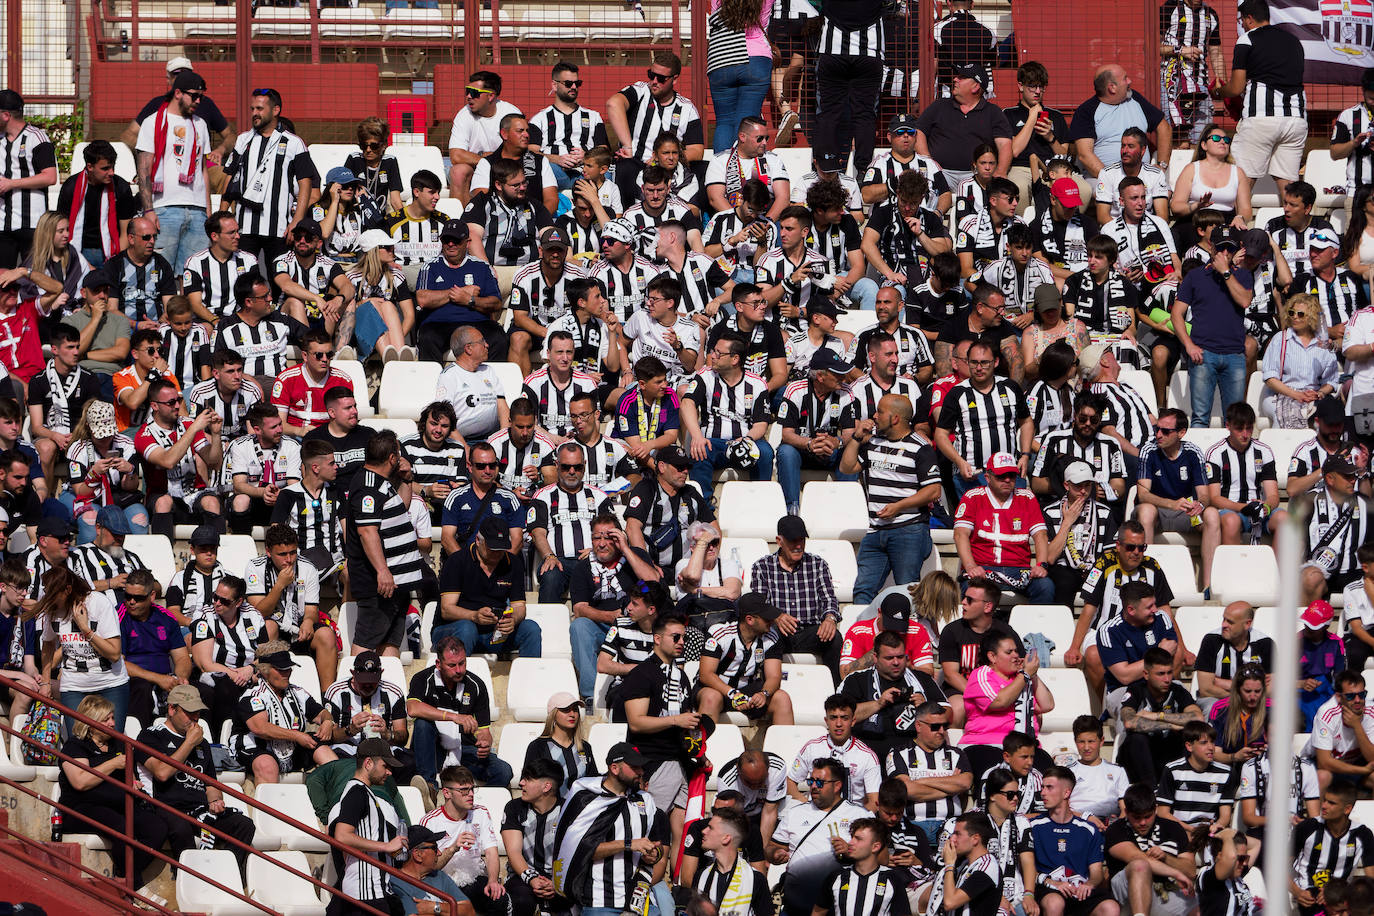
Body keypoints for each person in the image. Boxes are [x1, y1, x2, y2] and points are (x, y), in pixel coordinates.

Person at [58, 694, 169, 897]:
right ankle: (135, 887)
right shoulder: (75, 746)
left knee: (157, 827)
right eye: (105, 719)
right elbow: (80, 782)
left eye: (112, 718)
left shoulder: (118, 745)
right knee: (122, 828)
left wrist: (133, 784)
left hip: (118, 804)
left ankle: (124, 873)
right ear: (89, 723)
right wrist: (112, 764)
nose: (112, 723)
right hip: (82, 807)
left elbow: (129, 778)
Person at [140, 684, 257, 867]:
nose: (195, 718)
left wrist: (216, 800)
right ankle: (188, 881)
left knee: (244, 825)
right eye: (189, 712)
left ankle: (228, 875)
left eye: (198, 713)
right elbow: (162, 773)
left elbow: (210, 784)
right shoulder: (151, 736)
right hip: (166, 806)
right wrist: (189, 743)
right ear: (172, 709)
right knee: (181, 828)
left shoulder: (202, 743)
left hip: (199, 808)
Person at [841, 393, 942, 605]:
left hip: (908, 529)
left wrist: (899, 507)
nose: (874, 416)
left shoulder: (920, 447)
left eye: (880, 412)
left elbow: (933, 491)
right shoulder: (872, 442)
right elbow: (847, 467)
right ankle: (864, 635)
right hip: (876, 530)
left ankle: (906, 636)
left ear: (895, 418)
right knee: (863, 590)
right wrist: (857, 438)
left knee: (906, 589)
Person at [551, 742, 671, 916]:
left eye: (641, 767)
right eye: (634, 767)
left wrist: (654, 853)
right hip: (600, 901)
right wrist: (628, 844)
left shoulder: (645, 800)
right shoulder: (586, 798)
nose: (641, 772)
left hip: (640, 901)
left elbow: (656, 845)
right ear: (615, 768)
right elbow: (580, 851)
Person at [347, 431, 429, 657]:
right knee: (366, 645)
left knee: (390, 643)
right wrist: (382, 571)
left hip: (397, 583)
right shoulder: (367, 486)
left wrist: (406, 478)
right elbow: (367, 531)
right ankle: (354, 687)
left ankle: (388, 691)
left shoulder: (382, 483)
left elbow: (399, 508)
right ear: (392, 458)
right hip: (379, 584)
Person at [1215, 0, 1307, 197]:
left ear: (1249, 18)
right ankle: (1294, 228)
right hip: (1296, 119)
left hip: (1261, 118)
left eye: (1241, 20)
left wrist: (1219, 92)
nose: (1241, 25)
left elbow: (1236, 87)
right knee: (1288, 187)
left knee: (1242, 182)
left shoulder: (1247, 39)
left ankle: (1236, 225)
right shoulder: (1294, 41)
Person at [222, 88, 316, 273]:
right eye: (252, 109)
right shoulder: (243, 140)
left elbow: (305, 184)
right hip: (245, 227)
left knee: (279, 279)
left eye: (259, 108)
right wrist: (222, 216)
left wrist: (296, 222)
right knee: (245, 279)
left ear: (275, 110)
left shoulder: (295, 143)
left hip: (279, 229)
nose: (254, 113)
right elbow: (230, 178)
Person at [768, 757, 872, 916]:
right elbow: (772, 848)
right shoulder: (795, 813)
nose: (814, 786)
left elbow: (881, 857)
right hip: (795, 904)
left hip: (838, 906)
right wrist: (774, 854)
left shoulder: (859, 815)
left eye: (820, 782)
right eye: (811, 781)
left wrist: (850, 850)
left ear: (837, 785)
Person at [134, 70, 211, 278]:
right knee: (160, 273)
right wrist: (149, 210)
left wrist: (207, 211)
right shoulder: (152, 122)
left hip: (197, 210)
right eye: (194, 95)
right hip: (164, 208)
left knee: (192, 276)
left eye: (201, 97)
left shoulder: (201, 124)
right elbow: (144, 170)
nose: (198, 100)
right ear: (178, 93)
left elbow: (202, 169)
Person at [37, 562, 129, 732]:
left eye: (52, 594)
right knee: (78, 743)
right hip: (74, 686)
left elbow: (115, 654)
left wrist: (85, 629)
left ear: (67, 590)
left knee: (112, 740)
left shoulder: (99, 603)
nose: (48, 599)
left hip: (111, 683)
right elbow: (48, 644)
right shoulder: (52, 610)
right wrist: (46, 681)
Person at [408, 635, 508, 791]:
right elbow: (413, 708)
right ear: (438, 664)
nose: (459, 670)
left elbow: (484, 731)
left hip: (464, 747)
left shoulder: (476, 685)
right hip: (431, 749)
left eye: (462, 663)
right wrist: (454, 717)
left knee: (503, 771)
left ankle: (476, 802)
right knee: (422, 724)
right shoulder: (423, 679)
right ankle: (429, 788)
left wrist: (484, 742)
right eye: (452, 665)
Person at [435, 515, 541, 660]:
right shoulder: (457, 561)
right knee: (467, 628)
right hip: (453, 630)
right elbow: (446, 610)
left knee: (530, 628)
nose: (497, 553)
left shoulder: (513, 563)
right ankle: (460, 679)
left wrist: (512, 620)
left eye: (501, 548)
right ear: (478, 541)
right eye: (492, 548)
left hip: (494, 633)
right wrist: (474, 616)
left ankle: (530, 679)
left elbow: (520, 607)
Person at [953, 452, 1053, 603]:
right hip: (983, 569)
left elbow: (1041, 535)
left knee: (1045, 586)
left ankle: (1032, 627)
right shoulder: (972, 497)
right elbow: (960, 535)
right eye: (1001, 476)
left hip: (1019, 570)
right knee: (971, 588)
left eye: (1012, 476)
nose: (1007, 480)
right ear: (988, 477)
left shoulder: (1027, 498)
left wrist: (1041, 565)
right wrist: (970, 566)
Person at [328, 738, 407, 915]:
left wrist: (390, 850)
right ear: (368, 763)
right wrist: (386, 846)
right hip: (364, 892)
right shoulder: (357, 792)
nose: (389, 772)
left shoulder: (364, 792)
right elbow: (342, 836)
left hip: (372, 889)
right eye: (385, 766)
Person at [1027, 767, 1120, 916]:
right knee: (1055, 903)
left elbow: (1096, 872)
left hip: (1080, 889)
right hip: (1048, 888)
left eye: (1049, 787)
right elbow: (1026, 868)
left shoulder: (1088, 829)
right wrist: (1053, 883)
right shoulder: (1033, 826)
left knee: (1111, 907)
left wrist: (1089, 884)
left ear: (1066, 793)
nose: (1043, 793)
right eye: (1042, 787)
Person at [419, 764, 509, 916]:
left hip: (475, 875)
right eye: (463, 790)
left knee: (499, 897)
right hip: (443, 881)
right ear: (447, 793)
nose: (471, 794)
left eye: (472, 788)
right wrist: (453, 848)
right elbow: (428, 868)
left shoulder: (480, 812)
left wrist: (493, 881)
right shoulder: (430, 821)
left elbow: (491, 852)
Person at [695, 592, 794, 724]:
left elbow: (774, 677)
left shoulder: (771, 637)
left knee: (782, 698)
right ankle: (704, 744)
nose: (771, 621)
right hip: (717, 688)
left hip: (748, 689)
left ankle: (786, 744)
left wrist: (763, 694)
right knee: (711, 697)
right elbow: (706, 675)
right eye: (766, 618)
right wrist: (733, 694)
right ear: (750, 619)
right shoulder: (720, 633)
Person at [1114, 648, 1204, 786]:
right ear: (1146, 674)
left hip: (1167, 754)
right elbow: (1129, 721)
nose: (1167, 679)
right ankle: (1151, 790)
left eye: (1169, 673)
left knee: (1185, 736)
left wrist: (1157, 716)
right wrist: (1170, 725)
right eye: (1161, 674)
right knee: (1137, 739)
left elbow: (1198, 718)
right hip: (1139, 761)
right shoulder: (1136, 691)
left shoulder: (1178, 691)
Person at [1102, 783, 1195, 916]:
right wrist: (1176, 873)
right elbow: (1137, 858)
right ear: (1127, 812)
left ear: (1155, 809)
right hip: (1125, 893)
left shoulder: (1173, 828)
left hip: (1163, 891)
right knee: (1140, 866)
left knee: (1200, 906)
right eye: (1137, 817)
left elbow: (1190, 870)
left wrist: (1166, 858)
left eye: (1147, 816)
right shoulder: (1116, 829)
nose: (1143, 823)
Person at [1070, 65, 1171, 179]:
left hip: (1143, 178)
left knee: (1163, 193)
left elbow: (1164, 128)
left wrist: (1162, 166)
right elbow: (1085, 155)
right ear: (1112, 87)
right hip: (1102, 179)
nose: (1130, 81)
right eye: (1125, 78)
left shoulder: (1135, 99)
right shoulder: (1086, 111)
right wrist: (1113, 180)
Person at [1030, 392, 1127, 511]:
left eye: (1094, 420)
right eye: (1082, 419)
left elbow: (1119, 485)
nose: (1088, 423)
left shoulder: (1111, 444)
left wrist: (1111, 493)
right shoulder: (1053, 440)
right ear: (1074, 416)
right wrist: (1073, 489)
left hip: (1098, 510)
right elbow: (1036, 484)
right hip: (1059, 509)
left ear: (1100, 420)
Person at [1206, 401, 1282, 548]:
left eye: (1249, 428)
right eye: (1239, 429)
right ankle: (1232, 570)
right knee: (1231, 521)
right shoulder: (1215, 453)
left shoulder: (1264, 451)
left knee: (1283, 519)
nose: (1245, 434)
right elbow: (1214, 498)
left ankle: (1278, 571)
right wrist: (1243, 507)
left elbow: (1273, 495)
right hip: (1230, 510)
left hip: (1258, 510)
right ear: (1228, 426)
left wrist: (1266, 506)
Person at [1291, 783, 1374, 916]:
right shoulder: (1307, 828)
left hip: (1342, 896)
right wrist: (1297, 892)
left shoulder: (1362, 834)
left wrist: (1338, 893)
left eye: (1331, 803)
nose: (1323, 806)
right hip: (1307, 896)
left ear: (1347, 809)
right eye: (1324, 800)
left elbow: (1371, 879)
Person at [1042, 461, 1118, 606]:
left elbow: (1110, 553)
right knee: (1064, 580)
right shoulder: (1050, 512)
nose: (1083, 491)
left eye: (1087, 485)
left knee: (1106, 582)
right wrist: (1067, 523)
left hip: (1095, 568)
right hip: (1063, 569)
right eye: (1078, 486)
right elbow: (1050, 558)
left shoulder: (1104, 512)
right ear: (1066, 485)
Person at [325, 649, 411, 776]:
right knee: (339, 762)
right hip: (349, 750)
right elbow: (330, 736)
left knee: (409, 762)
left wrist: (387, 734)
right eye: (363, 681)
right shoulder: (336, 692)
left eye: (372, 681)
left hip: (383, 750)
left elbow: (403, 736)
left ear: (381, 673)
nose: (367, 685)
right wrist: (351, 729)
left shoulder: (393, 692)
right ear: (353, 673)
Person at [215, 273, 308, 386]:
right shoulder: (225, 328)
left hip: (278, 388)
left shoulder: (281, 320)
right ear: (248, 302)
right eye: (264, 297)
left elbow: (313, 340)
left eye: (268, 294)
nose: (270, 299)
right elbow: (217, 366)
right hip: (243, 390)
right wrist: (244, 377)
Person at [500, 758, 566, 916]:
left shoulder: (568, 811)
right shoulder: (514, 808)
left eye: (528, 779)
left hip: (559, 877)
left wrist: (557, 883)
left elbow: (573, 853)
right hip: (522, 875)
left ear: (546, 786)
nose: (521, 783)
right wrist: (532, 879)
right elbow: (514, 852)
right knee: (522, 900)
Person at [1261, 293, 1338, 427]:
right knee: (1285, 412)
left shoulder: (1323, 344)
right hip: (1282, 394)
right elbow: (1270, 378)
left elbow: (1331, 381)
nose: (1295, 317)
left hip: (1312, 395)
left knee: (1325, 414)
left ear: (1312, 317)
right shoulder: (1281, 339)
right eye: (1292, 313)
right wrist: (1295, 394)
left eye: (1300, 314)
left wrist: (1319, 393)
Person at [57, 140, 138, 268]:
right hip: (77, 251)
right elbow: (60, 229)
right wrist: (80, 262)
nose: (111, 172)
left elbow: (126, 232)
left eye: (113, 167)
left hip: (112, 252)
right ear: (90, 167)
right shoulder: (71, 187)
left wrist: (114, 263)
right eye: (105, 168)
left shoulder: (120, 187)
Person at [439, 442, 526, 557]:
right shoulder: (456, 497)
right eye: (481, 466)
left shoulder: (509, 498)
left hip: (500, 565)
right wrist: (465, 566)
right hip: (466, 565)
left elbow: (517, 540)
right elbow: (447, 538)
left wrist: (499, 565)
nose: (487, 470)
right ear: (470, 467)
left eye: (492, 465)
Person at [1196, 603, 1273, 712]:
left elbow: (1271, 689)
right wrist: (1244, 694)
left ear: (1247, 624)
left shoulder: (1264, 643)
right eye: (1224, 619)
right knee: (1211, 707)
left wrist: (1227, 683)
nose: (1223, 625)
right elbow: (1206, 689)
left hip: (1255, 699)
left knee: (1277, 709)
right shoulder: (1212, 640)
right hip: (1217, 698)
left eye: (1230, 622)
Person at [393, 823, 475, 916]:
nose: (439, 853)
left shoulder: (439, 876)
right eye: (435, 848)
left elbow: (469, 911)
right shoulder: (396, 883)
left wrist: (434, 907)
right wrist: (449, 908)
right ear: (418, 855)